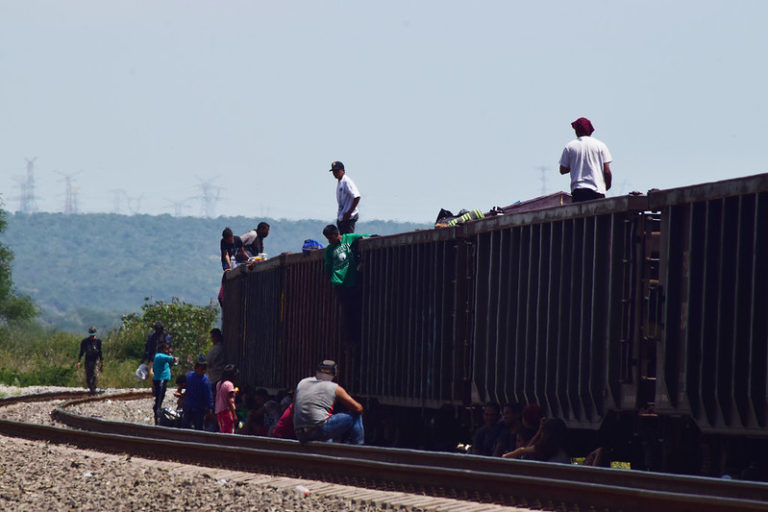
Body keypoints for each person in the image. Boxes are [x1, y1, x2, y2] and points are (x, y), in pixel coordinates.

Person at [293, 360, 364, 444]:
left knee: (326, 422)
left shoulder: (302, 382)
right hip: (318, 430)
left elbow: (293, 407)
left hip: (300, 433)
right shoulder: (335, 387)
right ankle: (357, 447)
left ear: (316, 371)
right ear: (334, 374)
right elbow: (358, 408)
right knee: (355, 416)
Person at [559, 117, 613, 203]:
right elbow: (607, 171)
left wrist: (575, 163)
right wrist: (607, 186)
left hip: (579, 191)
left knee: (580, 215)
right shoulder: (601, 145)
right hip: (598, 191)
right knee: (599, 216)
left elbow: (562, 170)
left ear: (577, 131)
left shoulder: (570, 146)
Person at [182, 357, 214, 430]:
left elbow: (208, 396)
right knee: (186, 425)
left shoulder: (205, 381)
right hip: (189, 406)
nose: (202, 371)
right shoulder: (190, 376)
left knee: (198, 426)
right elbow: (186, 387)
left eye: (204, 369)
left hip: (199, 409)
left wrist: (209, 407)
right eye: (200, 368)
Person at [329, 161, 361, 234]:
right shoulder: (340, 182)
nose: (335, 173)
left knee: (347, 239)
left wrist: (349, 212)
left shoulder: (346, 181)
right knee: (343, 239)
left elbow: (357, 196)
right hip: (342, 217)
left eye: (337, 171)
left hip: (349, 217)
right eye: (333, 171)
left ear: (343, 171)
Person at [151, 342, 177, 425]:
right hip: (160, 380)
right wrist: (171, 355)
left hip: (160, 380)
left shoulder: (159, 356)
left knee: (160, 398)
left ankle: (157, 415)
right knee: (159, 399)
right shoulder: (161, 356)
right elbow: (173, 360)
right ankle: (157, 416)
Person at [76, 326, 103, 394]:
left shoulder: (98, 342)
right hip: (88, 360)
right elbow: (81, 352)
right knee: (88, 376)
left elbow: (100, 352)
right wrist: (79, 361)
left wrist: (102, 363)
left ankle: (93, 389)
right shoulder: (85, 342)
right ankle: (91, 389)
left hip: (95, 361)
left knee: (94, 375)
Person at [215, 364, 238, 434]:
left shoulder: (219, 383)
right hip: (227, 412)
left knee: (223, 430)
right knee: (229, 431)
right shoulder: (229, 384)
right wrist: (234, 415)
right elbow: (229, 400)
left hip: (219, 412)